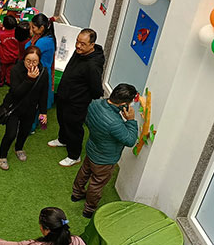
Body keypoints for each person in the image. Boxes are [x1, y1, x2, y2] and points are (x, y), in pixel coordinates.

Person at [72, 83, 139, 218]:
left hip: (92, 148)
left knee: (84, 172)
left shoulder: (95, 104)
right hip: (105, 159)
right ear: (123, 104)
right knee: (96, 184)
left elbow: (88, 121)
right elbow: (130, 140)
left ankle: (76, 194)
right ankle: (89, 209)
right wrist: (131, 120)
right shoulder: (115, 123)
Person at [49, 28, 105, 167]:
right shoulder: (79, 52)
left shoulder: (93, 65)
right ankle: (63, 139)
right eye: (77, 42)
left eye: (83, 44)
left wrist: (80, 97)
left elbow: (96, 90)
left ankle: (74, 156)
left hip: (76, 103)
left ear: (92, 45)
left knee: (73, 128)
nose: (78, 46)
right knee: (62, 119)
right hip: (64, 95)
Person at [0, 47, 49, 170]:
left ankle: (19, 148)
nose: (31, 64)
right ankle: (2, 156)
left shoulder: (43, 73)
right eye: (28, 61)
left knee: (25, 131)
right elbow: (16, 93)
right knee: (10, 134)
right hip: (14, 108)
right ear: (23, 59)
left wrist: (43, 112)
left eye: (34, 62)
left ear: (39, 61)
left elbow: (43, 93)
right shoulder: (16, 70)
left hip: (30, 109)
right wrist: (29, 79)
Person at [25, 14, 57, 110]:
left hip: (40, 73)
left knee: (36, 101)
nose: (32, 30)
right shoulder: (48, 37)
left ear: (42, 28)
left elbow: (28, 50)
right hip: (45, 71)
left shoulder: (42, 42)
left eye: (33, 27)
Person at [0, 15, 21, 87]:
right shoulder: (17, 33)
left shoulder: (1, 33)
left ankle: (1, 81)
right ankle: (9, 81)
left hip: (4, 57)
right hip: (14, 56)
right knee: (10, 70)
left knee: (2, 70)